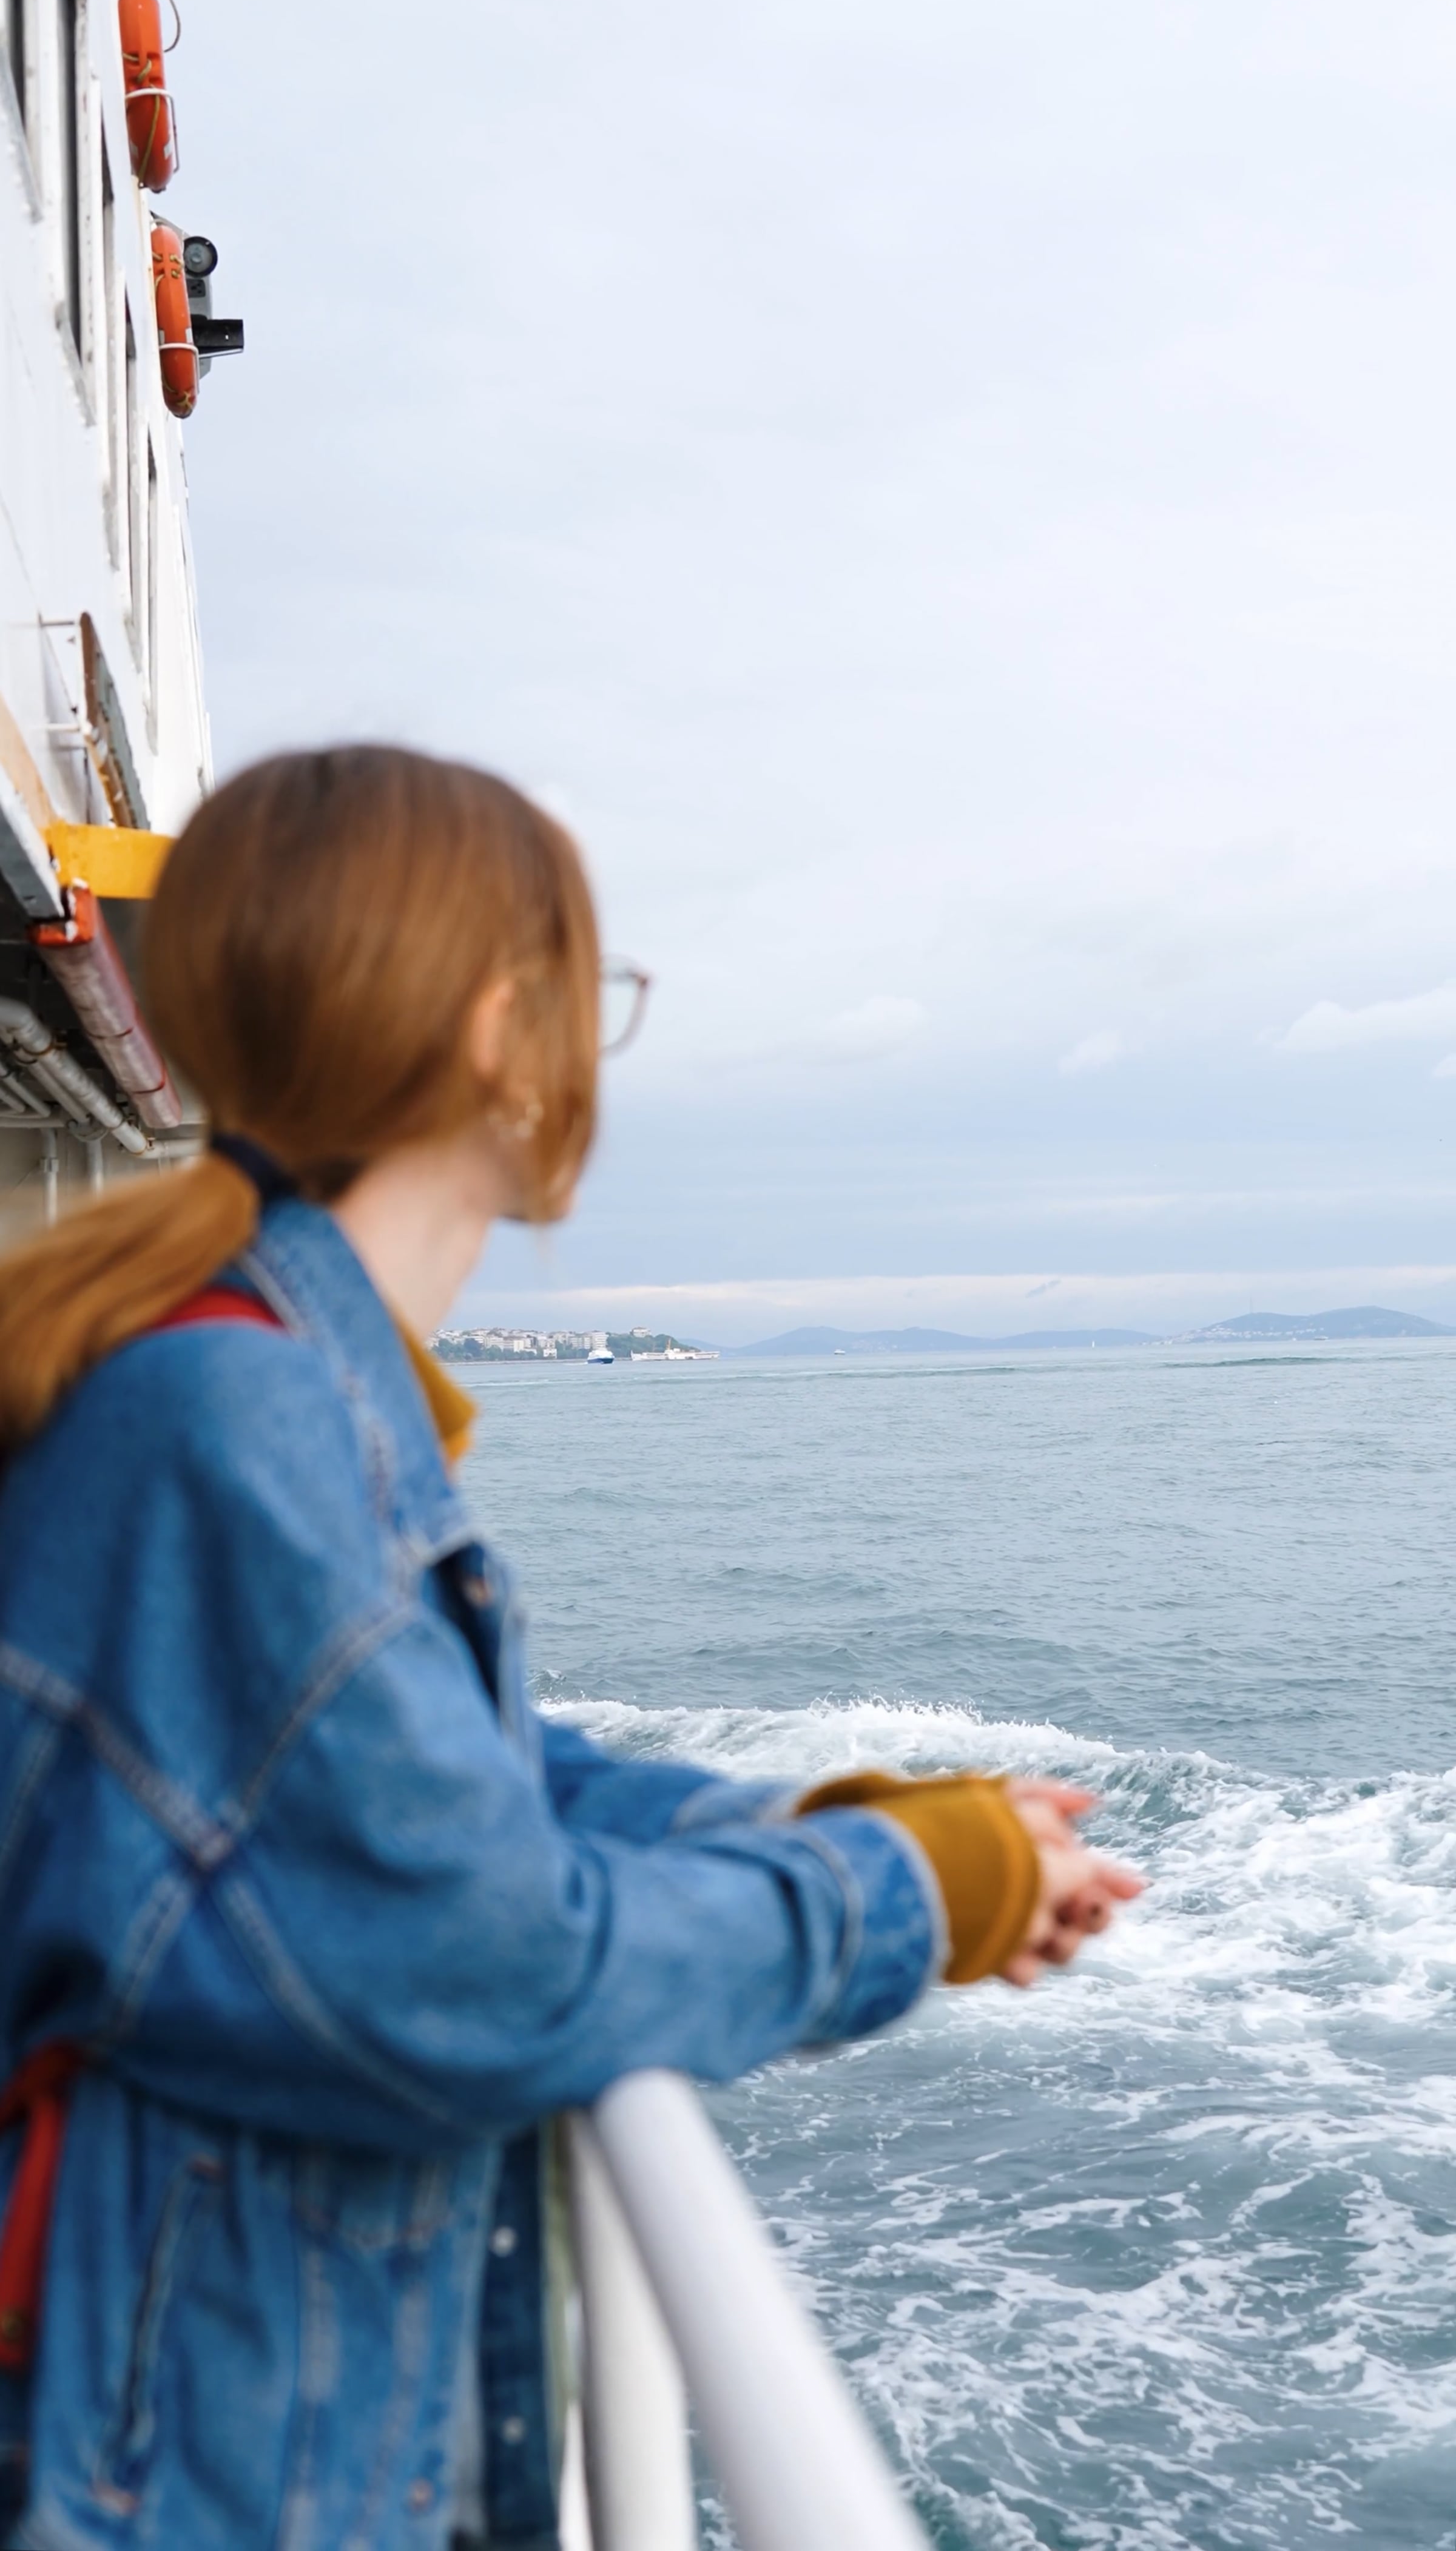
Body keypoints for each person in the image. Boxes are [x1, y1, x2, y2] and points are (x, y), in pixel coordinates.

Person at [0, 747, 1141, 2551]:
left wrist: (855, 1825)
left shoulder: (258, 1375)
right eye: (594, 1000)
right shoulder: (239, 1418)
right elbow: (492, 1969)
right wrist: (914, 1891)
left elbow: (466, 1773)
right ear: (497, 1030)